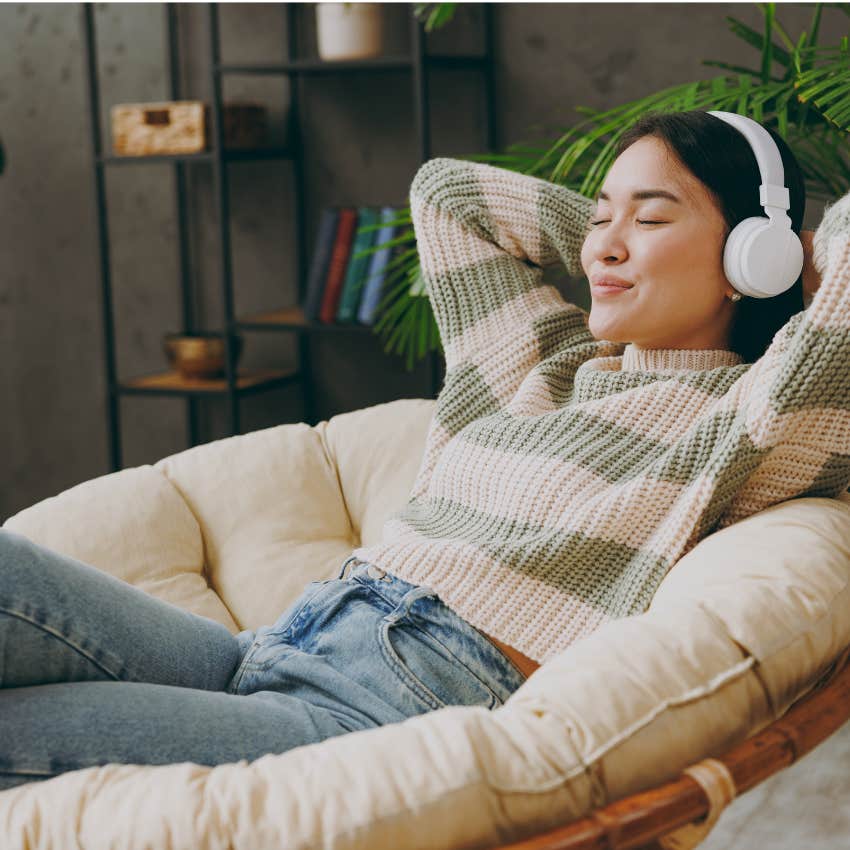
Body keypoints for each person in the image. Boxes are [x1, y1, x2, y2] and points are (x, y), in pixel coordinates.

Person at [0, 110, 846, 793]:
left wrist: (783, 262)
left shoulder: (744, 418)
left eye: (652, 216)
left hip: (380, 711)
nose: (604, 244)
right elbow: (449, 195)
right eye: (598, 217)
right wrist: (618, 239)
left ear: (753, 255)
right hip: (280, 641)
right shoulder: (537, 363)